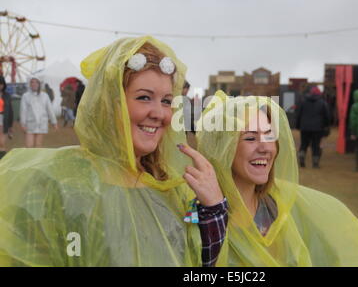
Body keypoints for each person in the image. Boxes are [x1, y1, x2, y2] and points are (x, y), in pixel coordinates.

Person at [0, 36, 226, 267]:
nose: (159, 113)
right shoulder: (58, 183)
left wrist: (213, 209)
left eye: (166, 101)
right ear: (110, 102)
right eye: (144, 97)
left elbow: (197, 263)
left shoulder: (170, 186)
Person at [196, 91, 358, 266]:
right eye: (250, 138)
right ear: (222, 148)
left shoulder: (280, 206)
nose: (265, 147)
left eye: (269, 136)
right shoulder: (200, 218)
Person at [295, 85, 330, 168]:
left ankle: (302, 159)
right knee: (316, 146)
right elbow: (327, 116)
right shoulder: (322, 103)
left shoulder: (303, 101)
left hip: (305, 127)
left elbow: (298, 114)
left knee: (303, 144)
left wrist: (298, 125)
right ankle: (315, 163)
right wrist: (326, 126)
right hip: (318, 128)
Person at [20, 77, 58, 148]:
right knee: (29, 146)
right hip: (30, 123)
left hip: (41, 123)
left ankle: (37, 159)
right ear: (29, 84)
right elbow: (23, 111)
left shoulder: (45, 96)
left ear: (39, 84)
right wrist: (23, 123)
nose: (34, 84)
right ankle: (29, 159)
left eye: (36, 82)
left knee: (38, 146)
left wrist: (54, 122)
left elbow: (50, 110)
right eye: (32, 82)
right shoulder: (25, 96)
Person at [0, 76, 14, 159]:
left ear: (3, 85)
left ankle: (2, 163)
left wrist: (10, 126)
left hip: (4, 120)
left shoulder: (7, 95)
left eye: (1, 83)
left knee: (2, 143)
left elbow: (11, 111)